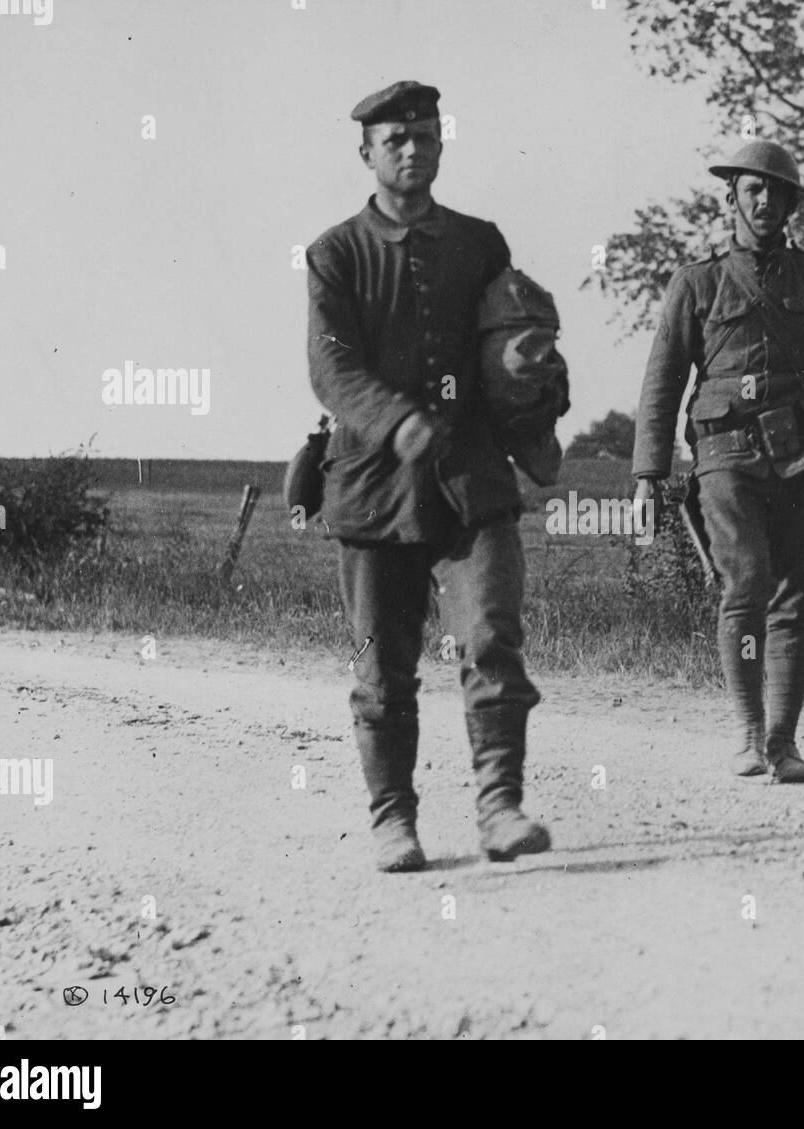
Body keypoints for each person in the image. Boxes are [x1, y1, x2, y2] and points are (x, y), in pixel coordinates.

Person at [306, 80, 549, 871]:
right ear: (367, 153)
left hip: (472, 481)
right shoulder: (335, 253)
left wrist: (540, 401)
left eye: (426, 137)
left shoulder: (482, 244)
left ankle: (500, 807)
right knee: (383, 668)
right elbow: (331, 368)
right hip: (375, 486)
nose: (413, 151)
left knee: (491, 637)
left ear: (442, 145)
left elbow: (515, 343)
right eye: (395, 140)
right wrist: (392, 418)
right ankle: (392, 820)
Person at [631, 140, 804, 783]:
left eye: (778, 191)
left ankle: (783, 742)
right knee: (745, 583)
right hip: (725, 454)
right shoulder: (698, 282)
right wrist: (646, 475)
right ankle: (748, 734)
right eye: (754, 190)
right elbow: (663, 380)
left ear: (793, 203)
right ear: (732, 199)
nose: (766, 200)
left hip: (802, 454)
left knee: (794, 597)